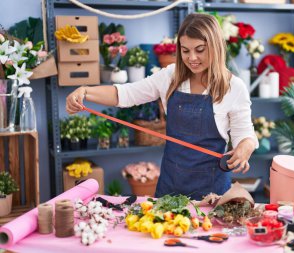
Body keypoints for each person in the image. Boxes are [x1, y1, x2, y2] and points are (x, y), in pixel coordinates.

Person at [66, 13, 258, 200]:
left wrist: (244, 149)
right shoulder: (170, 77)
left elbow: (246, 136)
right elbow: (126, 94)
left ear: (216, 48)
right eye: (185, 50)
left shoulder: (234, 87)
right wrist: (85, 91)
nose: (192, 58)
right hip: (171, 186)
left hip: (213, 191)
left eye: (200, 50)